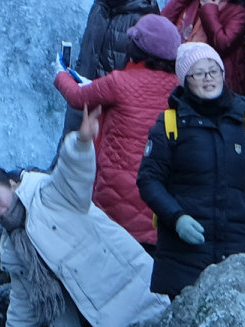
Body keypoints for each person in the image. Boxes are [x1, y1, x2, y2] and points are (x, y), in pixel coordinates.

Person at [0, 107, 163, 327]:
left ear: (12, 185)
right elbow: (23, 300)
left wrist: (81, 143)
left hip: (127, 291)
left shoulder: (48, 194)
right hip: (88, 319)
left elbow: (71, 174)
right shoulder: (12, 246)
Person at [137, 40, 245, 298]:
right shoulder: (170, 123)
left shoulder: (243, 120)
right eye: (198, 73)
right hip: (183, 257)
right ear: (185, 81)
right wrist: (177, 218)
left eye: (214, 70)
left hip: (235, 248)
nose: (208, 78)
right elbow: (148, 180)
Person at [53, 13, 182, 245]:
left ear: (137, 48)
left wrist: (60, 74)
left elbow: (76, 97)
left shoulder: (119, 82)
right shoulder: (181, 87)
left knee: (113, 251)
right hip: (162, 194)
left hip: (117, 193)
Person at [73, 0, 158, 78]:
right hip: (86, 86)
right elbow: (87, 51)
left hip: (116, 89)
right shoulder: (100, 4)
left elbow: (147, 68)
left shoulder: (143, 15)